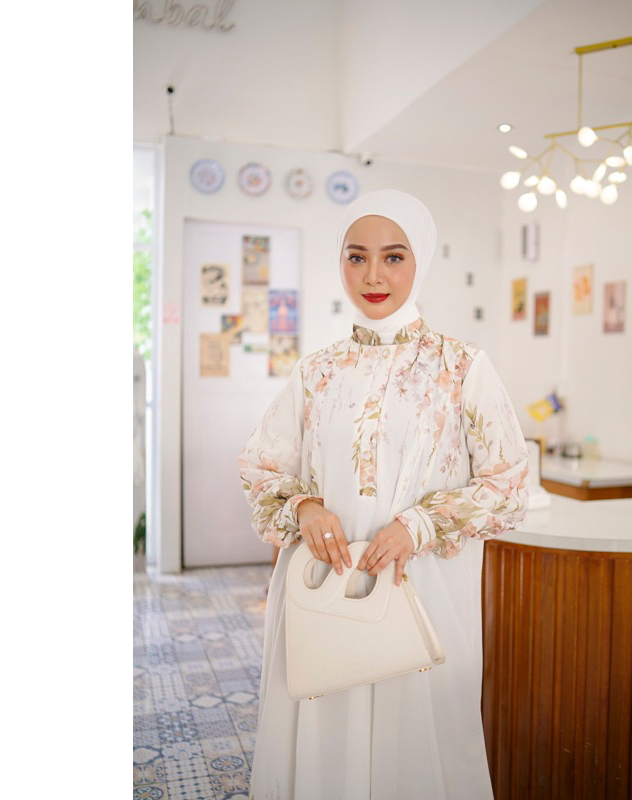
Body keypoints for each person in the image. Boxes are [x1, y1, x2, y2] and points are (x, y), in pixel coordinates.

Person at [238, 189, 530, 800]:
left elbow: (506, 482)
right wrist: (304, 507)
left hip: (420, 587)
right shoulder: (316, 371)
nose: (373, 275)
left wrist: (418, 525)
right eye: (357, 256)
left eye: (394, 256)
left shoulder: (462, 366)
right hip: (321, 586)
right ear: (340, 262)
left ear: (421, 260)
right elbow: (260, 466)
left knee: (412, 739)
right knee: (323, 722)